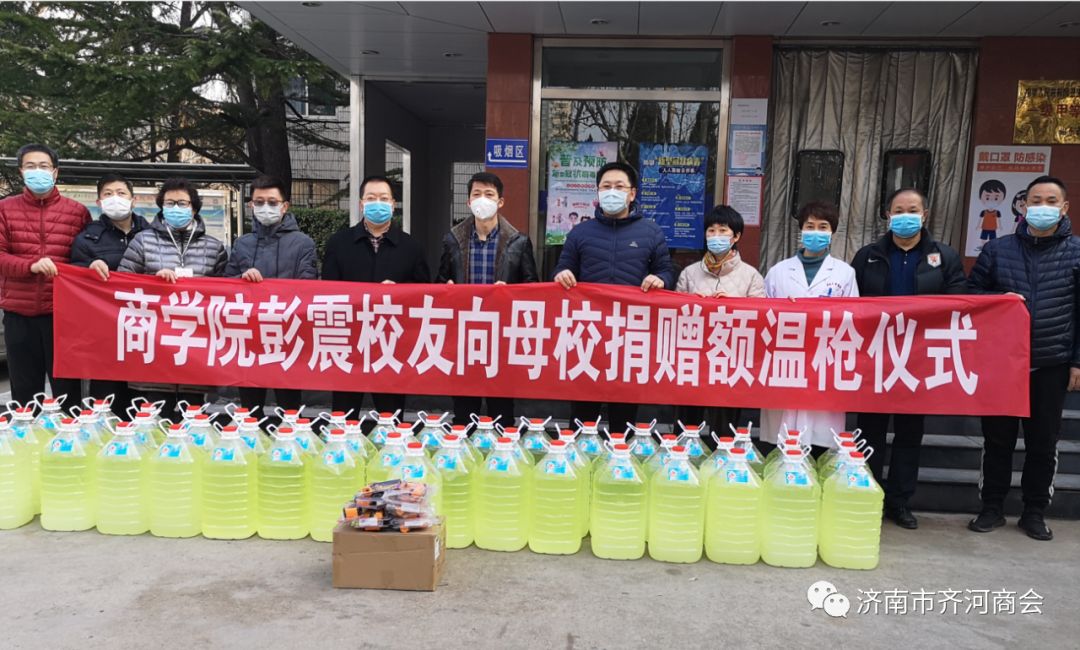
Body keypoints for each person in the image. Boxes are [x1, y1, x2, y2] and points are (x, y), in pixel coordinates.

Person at [967, 176, 1080, 541]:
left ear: (1064, 208)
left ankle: (1034, 512)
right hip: (1003, 363)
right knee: (997, 440)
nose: (1042, 207)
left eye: (1051, 201)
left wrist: (1077, 361)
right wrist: (1000, 299)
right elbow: (972, 295)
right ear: (1023, 206)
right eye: (1035, 200)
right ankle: (991, 507)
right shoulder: (998, 250)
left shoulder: (1077, 252)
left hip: (1051, 362)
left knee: (1043, 443)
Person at [850, 188, 967, 530]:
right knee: (869, 432)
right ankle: (867, 496)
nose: (905, 216)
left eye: (912, 210)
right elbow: (850, 304)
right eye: (898, 210)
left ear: (924, 215)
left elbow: (960, 303)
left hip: (918, 359)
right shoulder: (868, 256)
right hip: (875, 357)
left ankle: (899, 502)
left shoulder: (944, 257)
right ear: (888, 216)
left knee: (909, 433)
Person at [553, 161, 674, 428]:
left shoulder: (651, 232)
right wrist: (562, 274)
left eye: (619, 187)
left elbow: (666, 272)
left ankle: (621, 452)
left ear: (632, 194)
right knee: (583, 415)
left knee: (624, 415)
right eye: (606, 186)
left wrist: (660, 279)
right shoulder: (580, 232)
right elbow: (562, 268)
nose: (612, 192)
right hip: (588, 334)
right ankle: (581, 453)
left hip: (630, 335)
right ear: (597, 192)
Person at [118, 177, 228, 418]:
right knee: (155, 418)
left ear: (194, 208)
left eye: (182, 203)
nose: (175, 208)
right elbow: (122, 285)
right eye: (169, 203)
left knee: (193, 419)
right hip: (154, 343)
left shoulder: (214, 247)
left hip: (195, 345)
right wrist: (152, 282)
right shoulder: (143, 241)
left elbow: (225, 294)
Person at [322, 175, 430, 417]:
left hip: (391, 344)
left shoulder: (411, 247)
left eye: (383, 198)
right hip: (349, 344)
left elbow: (424, 293)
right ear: (361, 204)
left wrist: (400, 291)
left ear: (393, 204)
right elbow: (327, 292)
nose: (377, 203)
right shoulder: (339, 244)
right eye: (371, 198)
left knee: (390, 418)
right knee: (344, 417)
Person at [436, 171, 538, 426]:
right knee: (464, 411)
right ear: (469, 201)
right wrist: (446, 288)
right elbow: (439, 282)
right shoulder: (453, 240)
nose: (483, 199)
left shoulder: (518, 242)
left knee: (501, 412)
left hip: (501, 337)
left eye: (489, 194)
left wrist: (512, 294)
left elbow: (533, 288)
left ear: (500, 201)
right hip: (463, 336)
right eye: (477, 194)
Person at [761, 201, 858, 454]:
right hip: (786, 359)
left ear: (832, 232)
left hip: (825, 360)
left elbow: (853, 319)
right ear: (801, 230)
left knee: (820, 441)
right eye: (810, 226)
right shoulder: (778, 271)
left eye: (822, 227)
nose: (815, 232)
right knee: (781, 443)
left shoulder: (845, 273)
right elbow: (762, 317)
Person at [0, 143, 90, 406]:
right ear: (21, 172)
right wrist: (31, 265)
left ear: (55, 172)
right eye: (30, 166)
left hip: (62, 316)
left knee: (68, 394)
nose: (37, 171)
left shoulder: (77, 212)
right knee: (25, 395)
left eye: (43, 166)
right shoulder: (4, 209)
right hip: (18, 314)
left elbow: (85, 258)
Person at [225, 175, 317, 424]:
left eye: (272, 202)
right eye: (259, 202)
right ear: (251, 205)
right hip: (249, 338)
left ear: (285, 206)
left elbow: (308, 289)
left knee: (290, 409)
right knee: (250, 409)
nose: (266, 207)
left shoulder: (303, 244)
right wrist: (242, 280)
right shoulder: (242, 244)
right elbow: (226, 288)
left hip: (287, 337)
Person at [675, 204, 765, 439]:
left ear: (736, 237)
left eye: (723, 230)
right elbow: (674, 315)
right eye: (711, 230)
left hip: (730, 361)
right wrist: (691, 304)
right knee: (687, 425)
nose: (716, 236)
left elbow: (760, 319)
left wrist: (735, 304)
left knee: (724, 428)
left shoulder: (751, 276)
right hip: (693, 359)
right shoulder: (689, 273)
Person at [70, 173, 151, 417]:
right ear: (99, 202)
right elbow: (74, 282)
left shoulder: (152, 234)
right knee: (107, 399)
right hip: (105, 331)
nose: (115, 198)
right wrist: (88, 268)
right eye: (108, 194)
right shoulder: (87, 239)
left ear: (134, 200)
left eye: (121, 193)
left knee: (145, 399)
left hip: (144, 330)